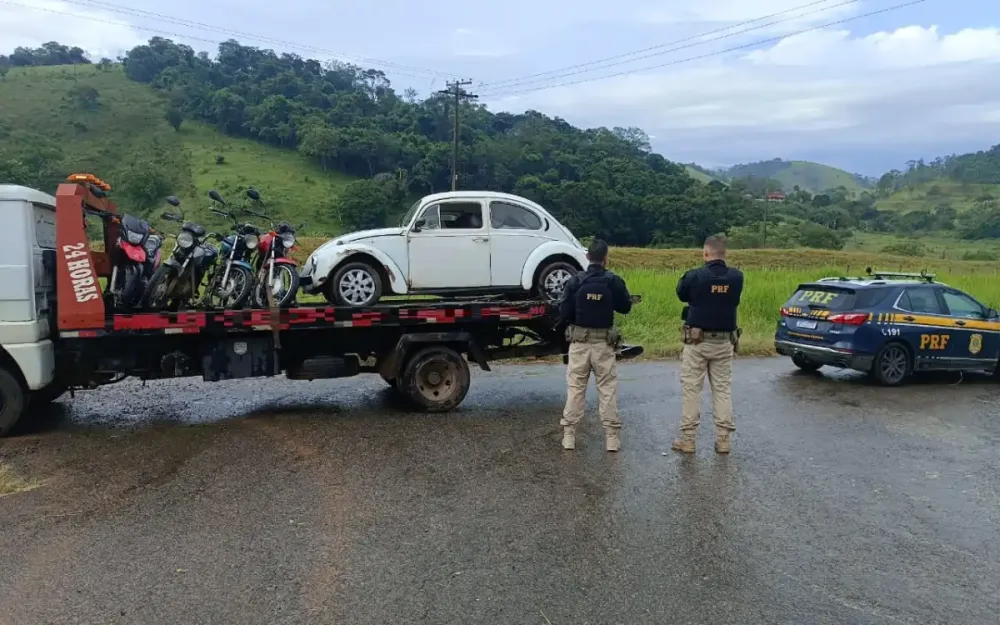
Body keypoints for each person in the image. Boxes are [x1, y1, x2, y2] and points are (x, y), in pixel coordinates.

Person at [558, 239, 633, 452]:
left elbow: (564, 313)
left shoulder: (576, 281)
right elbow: (625, 307)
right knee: (607, 390)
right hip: (604, 345)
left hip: (580, 344)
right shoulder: (613, 281)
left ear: (588, 257)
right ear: (606, 258)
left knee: (575, 389)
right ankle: (611, 438)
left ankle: (569, 436)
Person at [672, 234, 744, 455]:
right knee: (722, 390)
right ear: (725, 254)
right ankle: (723, 441)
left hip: (697, 342)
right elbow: (734, 300)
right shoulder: (737, 277)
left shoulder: (695, 276)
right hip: (724, 342)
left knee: (692, 390)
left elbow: (681, 294)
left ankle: (688, 440)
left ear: (705, 253)